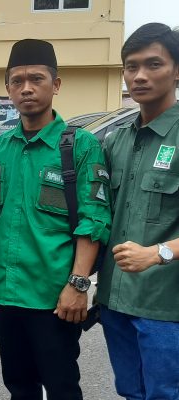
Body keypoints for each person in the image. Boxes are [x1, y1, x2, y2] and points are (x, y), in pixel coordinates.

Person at [0, 39, 111, 400]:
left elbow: (94, 220)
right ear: (8, 89)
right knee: (19, 386)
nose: (26, 89)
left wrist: (78, 285)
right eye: (17, 81)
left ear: (56, 84)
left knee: (62, 387)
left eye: (36, 79)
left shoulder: (80, 146)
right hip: (4, 292)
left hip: (54, 297)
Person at [95, 22, 179, 400]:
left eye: (153, 64)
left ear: (176, 71)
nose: (140, 75)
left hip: (165, 307)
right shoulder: (116, 141)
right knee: (131, 391)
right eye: (131, 66)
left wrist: (158, 253)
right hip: (115, 299)